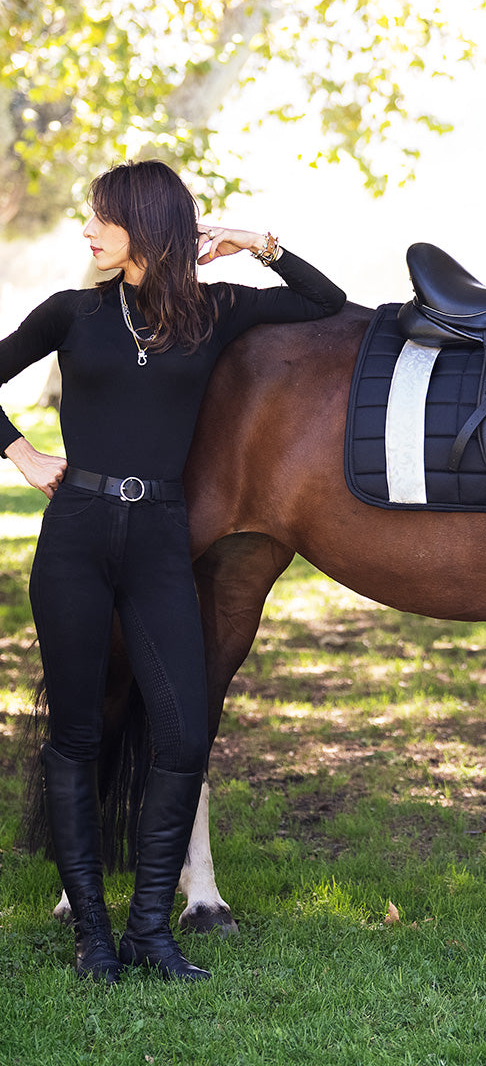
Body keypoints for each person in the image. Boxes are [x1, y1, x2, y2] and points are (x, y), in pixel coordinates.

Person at [0, 159, 346, 983]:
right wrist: (20, 452)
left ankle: (151, 932)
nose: (86, 231)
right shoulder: (71, 313)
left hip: (159, 533)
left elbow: (323, 302)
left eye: (101, 218)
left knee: (185, 731)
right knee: (77, 736)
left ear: (144, 227)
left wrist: (255, 240)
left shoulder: (213, 311)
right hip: (77, 532)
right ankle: (93, 936)